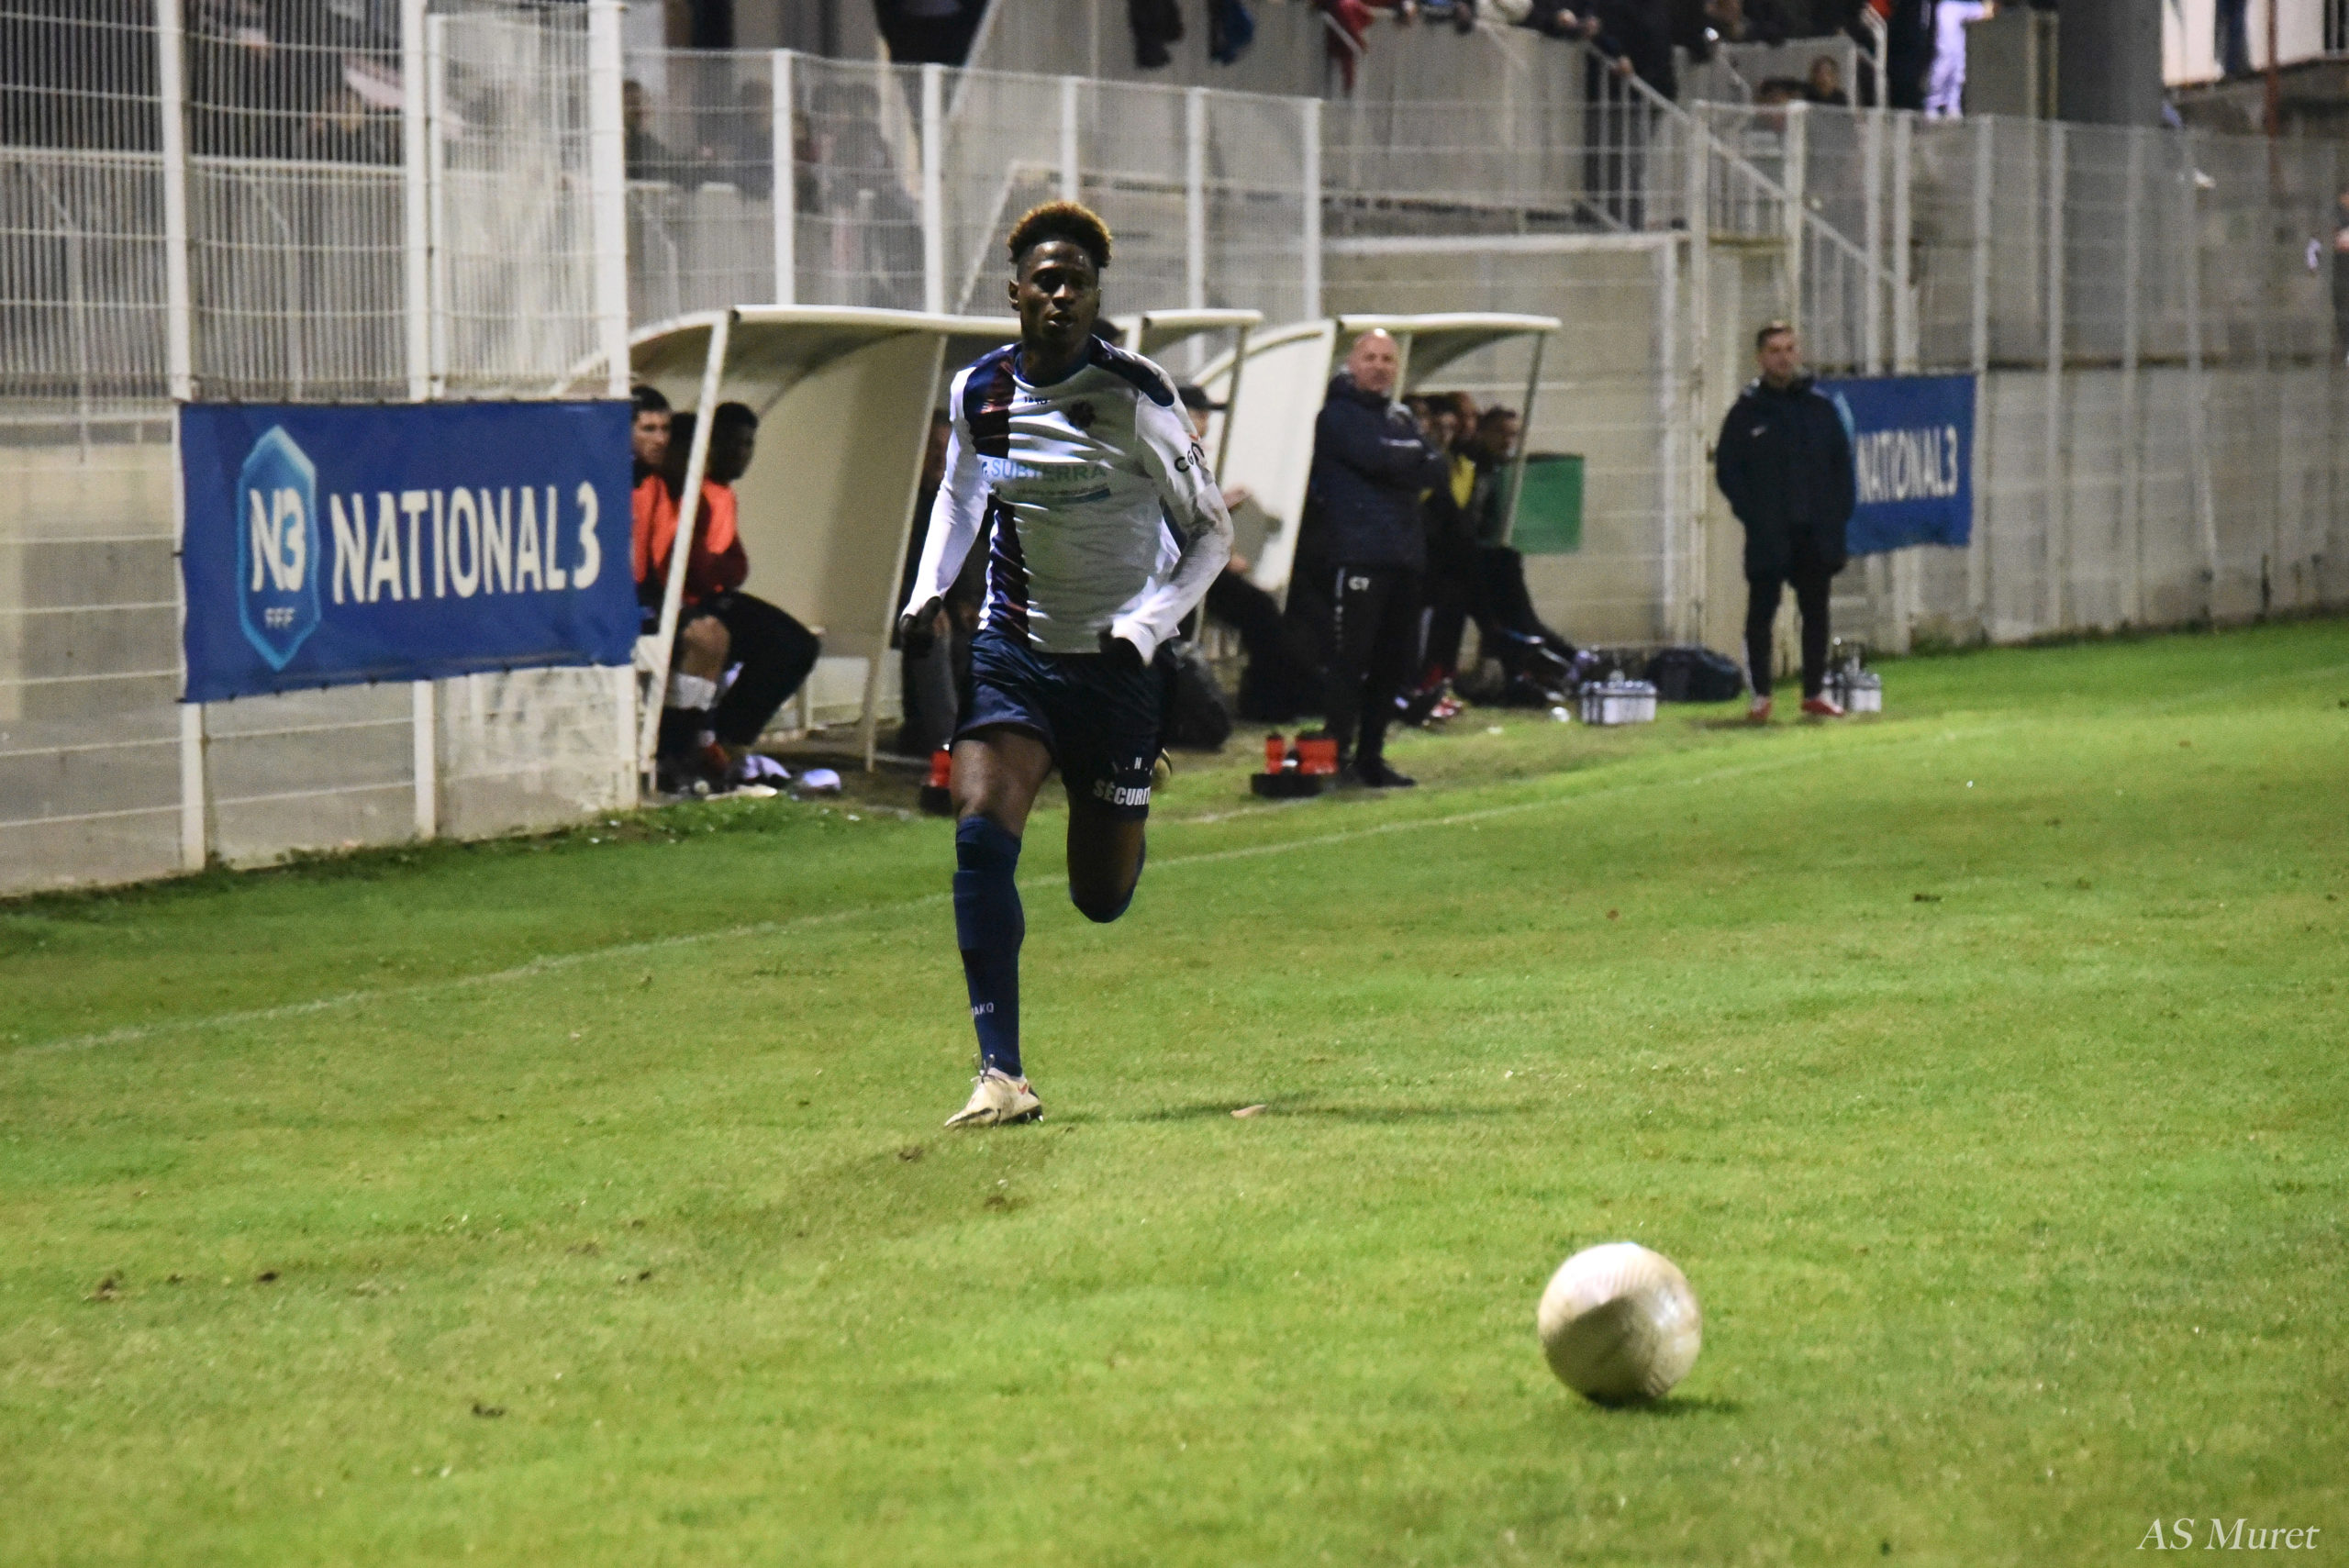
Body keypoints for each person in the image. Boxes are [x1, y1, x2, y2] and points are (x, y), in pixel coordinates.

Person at [897, 201, 1232, 1129]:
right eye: (1045, 280)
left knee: (1099, 897)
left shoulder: (1137, 395)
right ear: (1015, 292)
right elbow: (961, 494)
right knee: (979, 831)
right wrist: (929, 592)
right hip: (1013, 648)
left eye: (1076, 282)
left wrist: (1150, 625)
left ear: (1093, 297)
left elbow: (1211, 534)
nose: (1060, 295)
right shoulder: (979, 391)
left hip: (1118, 666)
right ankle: (1000, 1072)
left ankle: (1131, 778)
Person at [637, 404, 823, 784]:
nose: (740, 454)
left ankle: (724, 742)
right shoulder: (662, 490)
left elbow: (734, 565)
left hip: (704, 597)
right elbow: (690, 566)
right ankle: (685, 749)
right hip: (675, 601)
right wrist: (714, 574)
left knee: (797, 644)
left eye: (748, 444)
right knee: (719, 639)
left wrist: (717, 572)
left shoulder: (712, 495)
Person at [1308, 329, 1448, 787]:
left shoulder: (1400, 416)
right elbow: (1377, 458)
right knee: (1351, 659)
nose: (1379, 366)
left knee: (1392, 663)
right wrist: (1406, 459)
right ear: (1353, 363)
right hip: (1358, 554)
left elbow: (1436, 469)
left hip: (1403, 556)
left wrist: (1401, 459)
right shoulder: (1335, 416)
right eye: (1370, 357)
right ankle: (1336, 753)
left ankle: (1372, 757)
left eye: (1387, 359)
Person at [1713, 323, 1854, 722]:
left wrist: (1835, 516)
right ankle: (1761, 696)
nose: (1784, 357)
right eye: (1775, 350)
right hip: (1769, 533)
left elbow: (1841, 467)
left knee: (1816, 613)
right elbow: (1728, 470)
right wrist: (1753, 514)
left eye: (1790, 349)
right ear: (1761, 358)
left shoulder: (1820, 408)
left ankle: (1814, 692)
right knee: (1762, 613)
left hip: (1814, 532)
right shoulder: (1746, 413)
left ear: (1799, 353)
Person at [1924, 0, 1991, 118]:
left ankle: (1953, 107)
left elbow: (1987, 12)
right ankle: (1932, 106)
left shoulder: (1963, 6)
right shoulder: (1945, 7)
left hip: (1957, 50)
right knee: (1941, 71)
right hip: (1944, 49)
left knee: (1958, 74)